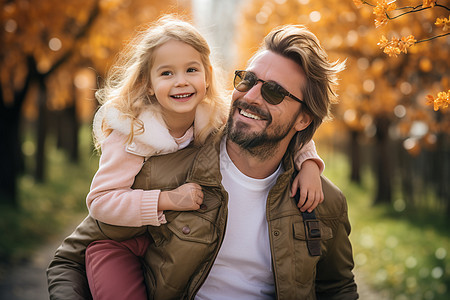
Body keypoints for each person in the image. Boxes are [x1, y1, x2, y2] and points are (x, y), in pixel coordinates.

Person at [47, 23, 358, 300]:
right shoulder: (163, 172)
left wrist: (310, 163)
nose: (250, 96)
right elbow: (72, 258)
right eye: (248, 80)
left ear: (303, 119)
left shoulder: (322, 203)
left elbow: (337, 289)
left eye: (274, 92)